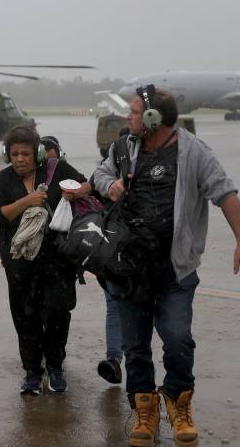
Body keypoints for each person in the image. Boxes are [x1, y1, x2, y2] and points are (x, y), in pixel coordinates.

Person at [92, 86, 240, 447]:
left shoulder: (194, 153)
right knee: (135, 346)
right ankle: (144, 410)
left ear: (153, 119)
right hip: (129, 267)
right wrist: (111, 186)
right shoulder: (124, 149)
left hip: (175, 270)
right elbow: (99, 176)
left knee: (178, 339)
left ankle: (179, 404)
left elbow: (226, 195)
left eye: (134, 112)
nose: (128, 118)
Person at [0, 125, 92, 395]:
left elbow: (88, 186)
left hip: (57, 259)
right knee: (25, 314)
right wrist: (28, 201)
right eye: (14, 154)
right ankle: (32, 371)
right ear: (7, 156)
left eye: (25, 153)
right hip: (19, 261)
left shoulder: (58, 170)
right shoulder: (2, 180)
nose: (20, 159)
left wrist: (76, 192)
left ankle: (55, 366)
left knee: (57, 311)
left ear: (38, 154)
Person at [94, 126, 131, 386]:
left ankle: (116, 358)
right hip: (116, 252)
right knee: (118, 305)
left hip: (111, 249)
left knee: (115, 307)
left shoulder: (104, 174)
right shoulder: (106, 179)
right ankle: (118, 359)